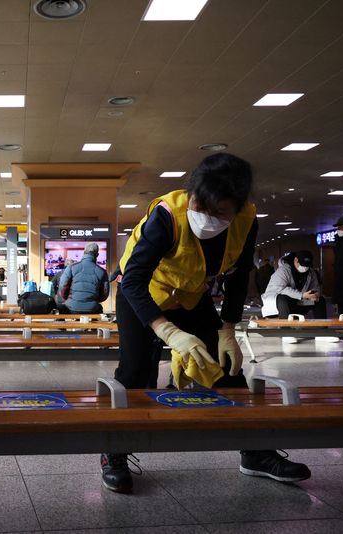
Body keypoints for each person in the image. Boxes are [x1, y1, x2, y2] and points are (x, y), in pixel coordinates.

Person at [101, 153, 310, 494]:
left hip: (190, 296)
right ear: (193, 193)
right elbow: (134, 281)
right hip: (142, 293)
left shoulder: (246, 219)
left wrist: (227, 329)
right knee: (136, 373)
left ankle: (256, 453)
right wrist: (167, 331)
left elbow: (241, 274)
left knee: (226, 368)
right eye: (202, 206)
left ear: (237, 206)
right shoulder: (167, 216)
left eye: (220, 212)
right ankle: (115, 453)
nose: (208, 218)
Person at [261, 251, 326, 319]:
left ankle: (322, 326)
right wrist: (301, 295)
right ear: (296, 260)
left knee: (321, 300)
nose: (305, 268)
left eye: (307, 266)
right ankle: (285, 326)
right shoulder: (283, 270)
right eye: (303, 265)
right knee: (282, 299)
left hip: (299, 301)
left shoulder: (311, 272)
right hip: (279, 302)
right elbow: (280, 288)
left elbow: (315, 286)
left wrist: (315, 294)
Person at [57, 243, 110, 313]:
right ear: (97, 255)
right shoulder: (102, 271)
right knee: (99, 308)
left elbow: (62, 286)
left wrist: (68, 299)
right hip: (92, 308)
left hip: (71, 307)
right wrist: (94, 300)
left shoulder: (71, 267)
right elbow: (105, 293)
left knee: (61, 307)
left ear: (84, 252)